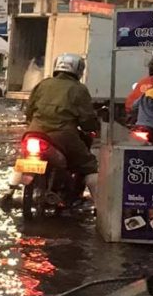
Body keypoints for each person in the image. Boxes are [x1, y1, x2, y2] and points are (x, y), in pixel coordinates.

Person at [25, 53, 100, 199]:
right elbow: (87, 119)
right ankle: (100, 208)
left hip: (33, 133)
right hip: (63, 136)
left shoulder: (43, 84)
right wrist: (92, 127)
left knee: (23, 158)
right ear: (78, 70)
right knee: (89, 165)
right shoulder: (79, 89)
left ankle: (10, 191)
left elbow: (29, 110)